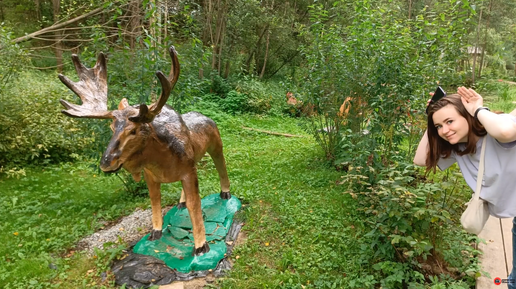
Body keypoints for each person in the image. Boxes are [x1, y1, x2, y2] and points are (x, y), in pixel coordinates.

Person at [413, 86, 516, 286]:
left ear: (467, 115)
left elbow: (505, 131)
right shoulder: (458, 147)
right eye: (439, 126)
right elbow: (420, 160)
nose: (444, 130)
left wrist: (478, 109)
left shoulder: (498, 129)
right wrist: (431, 117)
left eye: (449, 121)